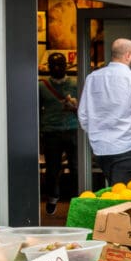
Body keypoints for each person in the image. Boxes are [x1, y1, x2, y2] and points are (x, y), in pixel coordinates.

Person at [78, 38, 131, 186]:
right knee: (119, 197)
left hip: (100, 148)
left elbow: (83, 114)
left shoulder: (92, 77)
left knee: (114, 191)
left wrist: (96, 133)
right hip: (128, 146)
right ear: (128, 55)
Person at [38, 52, 78, 215]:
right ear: (48, 67)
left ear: (65, 66)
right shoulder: (42, 86)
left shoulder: (75, 84)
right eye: (53, 65)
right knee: (53, 168)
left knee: (76, 166)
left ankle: (76, 198)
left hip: (72, 129)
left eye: (60, 65)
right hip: (51, 131)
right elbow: (37, 110)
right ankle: (53, 198)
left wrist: (75, 106)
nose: (56, 68)